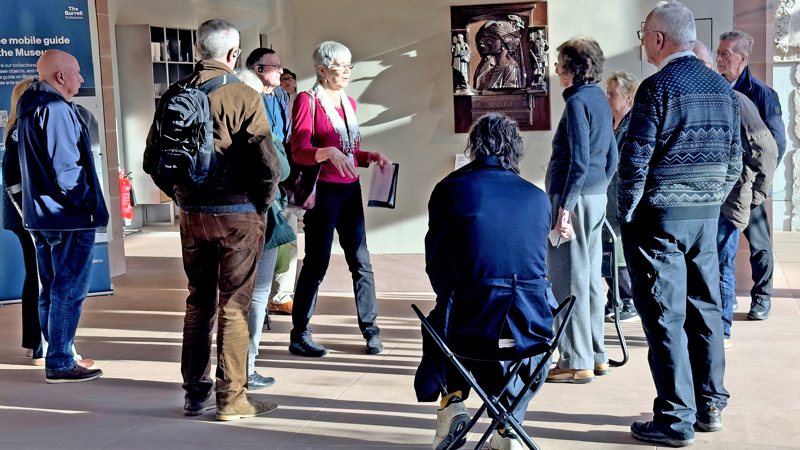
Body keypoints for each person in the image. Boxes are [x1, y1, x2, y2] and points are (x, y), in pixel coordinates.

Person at [144, 19, 281, 420]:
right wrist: (260, 204)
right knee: (235, 305)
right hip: (238, 215)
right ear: (233, 54)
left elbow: (152, 161)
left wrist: (183, 197)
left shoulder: (174, 93)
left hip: (192, 215)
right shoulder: (243, 94)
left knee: (197, 302)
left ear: (197, 50)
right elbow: (267, 163)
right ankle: (232, 399)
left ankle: (194, 394)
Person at [619, 3, 740, 446]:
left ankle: (674, 420)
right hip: (704, 220)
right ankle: (710, 406)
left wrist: (626, 212)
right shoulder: (723, 88)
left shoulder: (656, 88)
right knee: (706, 309)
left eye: (643, 33)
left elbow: (634, 162)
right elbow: (735, 162)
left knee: (665, 318)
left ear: (657, 39)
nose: (642, 42)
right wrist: (710, 200)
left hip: (659, 222)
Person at [416, 113, 555, 450]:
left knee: (447, 322)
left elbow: (436, 264)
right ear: (516, 150)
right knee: (505, 332)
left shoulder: (451, 189)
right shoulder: (538, 197)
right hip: (534, 329)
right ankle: (509, 427)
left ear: (474, 147)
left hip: (470, 328)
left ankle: (452, 406)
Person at [289, 41, 392, 357]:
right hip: (324, 192)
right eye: (340, 67)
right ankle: (299, 334)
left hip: (351, 189)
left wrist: (369, 155)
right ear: (322, 70)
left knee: (361, 261)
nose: (347, 72)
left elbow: (348, 151)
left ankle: (371, 331)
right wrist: (328, 152)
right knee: (317, 261)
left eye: (350, 66)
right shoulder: (307, 101)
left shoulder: (348, 103)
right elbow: (299, 151)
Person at [16, 50, 108, 383]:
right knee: (68, 290)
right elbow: (68, 170)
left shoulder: (29, 109)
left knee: (52, 288)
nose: (82, 79)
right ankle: (59, 360)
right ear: (60, 77)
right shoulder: (55, 109)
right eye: (77, 73)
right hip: (69, 218)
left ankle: (58, 354)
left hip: (44, 217)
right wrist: (88, 205)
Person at [694, 42, 779, 349]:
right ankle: (710, 326)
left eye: (724, 54)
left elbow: (768, 150)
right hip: (706, 200)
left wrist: (754, 194)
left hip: (734, 198)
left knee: (727, 261)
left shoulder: (743, 98)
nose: (720, 60)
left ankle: (724, 329)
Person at [545, 37, 617, 384]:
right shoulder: (599, 98)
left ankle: (575, 361)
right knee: (588, 279)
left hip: (573, 200)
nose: (556, 68)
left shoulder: (575, 102)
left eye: (560, 62)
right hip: (596, 196)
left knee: (567, 280)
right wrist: (597, 189)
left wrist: (566, 208)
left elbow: (578, 160)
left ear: (573, 67)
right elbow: (611, 157)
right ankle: (596, 354)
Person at [716, 30, 786, 321]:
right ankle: (725, 298)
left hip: (749, 184)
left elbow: (776, 143)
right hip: (721, 184)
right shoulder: (714, 88)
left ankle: (762, 297)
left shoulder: (762, 94)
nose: (719, 58)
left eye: (725, 53)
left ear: (743, 57)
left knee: (758, 244)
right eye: (718, 53)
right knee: (720, 246)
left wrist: (760, 185)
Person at [241, 50, 296, 390]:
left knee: (222, 295)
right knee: (256, 292)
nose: (279, 73)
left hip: (220, 212)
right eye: (275, 67)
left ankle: (219, 372)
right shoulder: (258, 122)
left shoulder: (218, 118)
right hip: (260, 209)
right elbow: (282, 166)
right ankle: (245, 367)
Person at [2, 78, 43, 366]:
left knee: (34, 275)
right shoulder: (20, 134)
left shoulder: (15, 131)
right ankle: (39, 345)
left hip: (23, 216)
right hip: (28, 216)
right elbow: (16, 184)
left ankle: (33, 342)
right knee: (40, 277)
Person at [603, 70, 640, 323]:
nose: (608, 98)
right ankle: (613, 297)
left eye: (613, 94)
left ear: (628, 98)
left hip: (623, 199)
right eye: (607, 93)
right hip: (606, 198)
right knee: (606, 249)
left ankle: (628, 301)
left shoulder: (633, 127)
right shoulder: (609, 124)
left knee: (621, 252)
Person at [473, 16, 524, 90]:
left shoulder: (511, 68)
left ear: (504, 42)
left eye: (493, 38)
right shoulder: (487, 63)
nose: (489, 42)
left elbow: (509, 97)